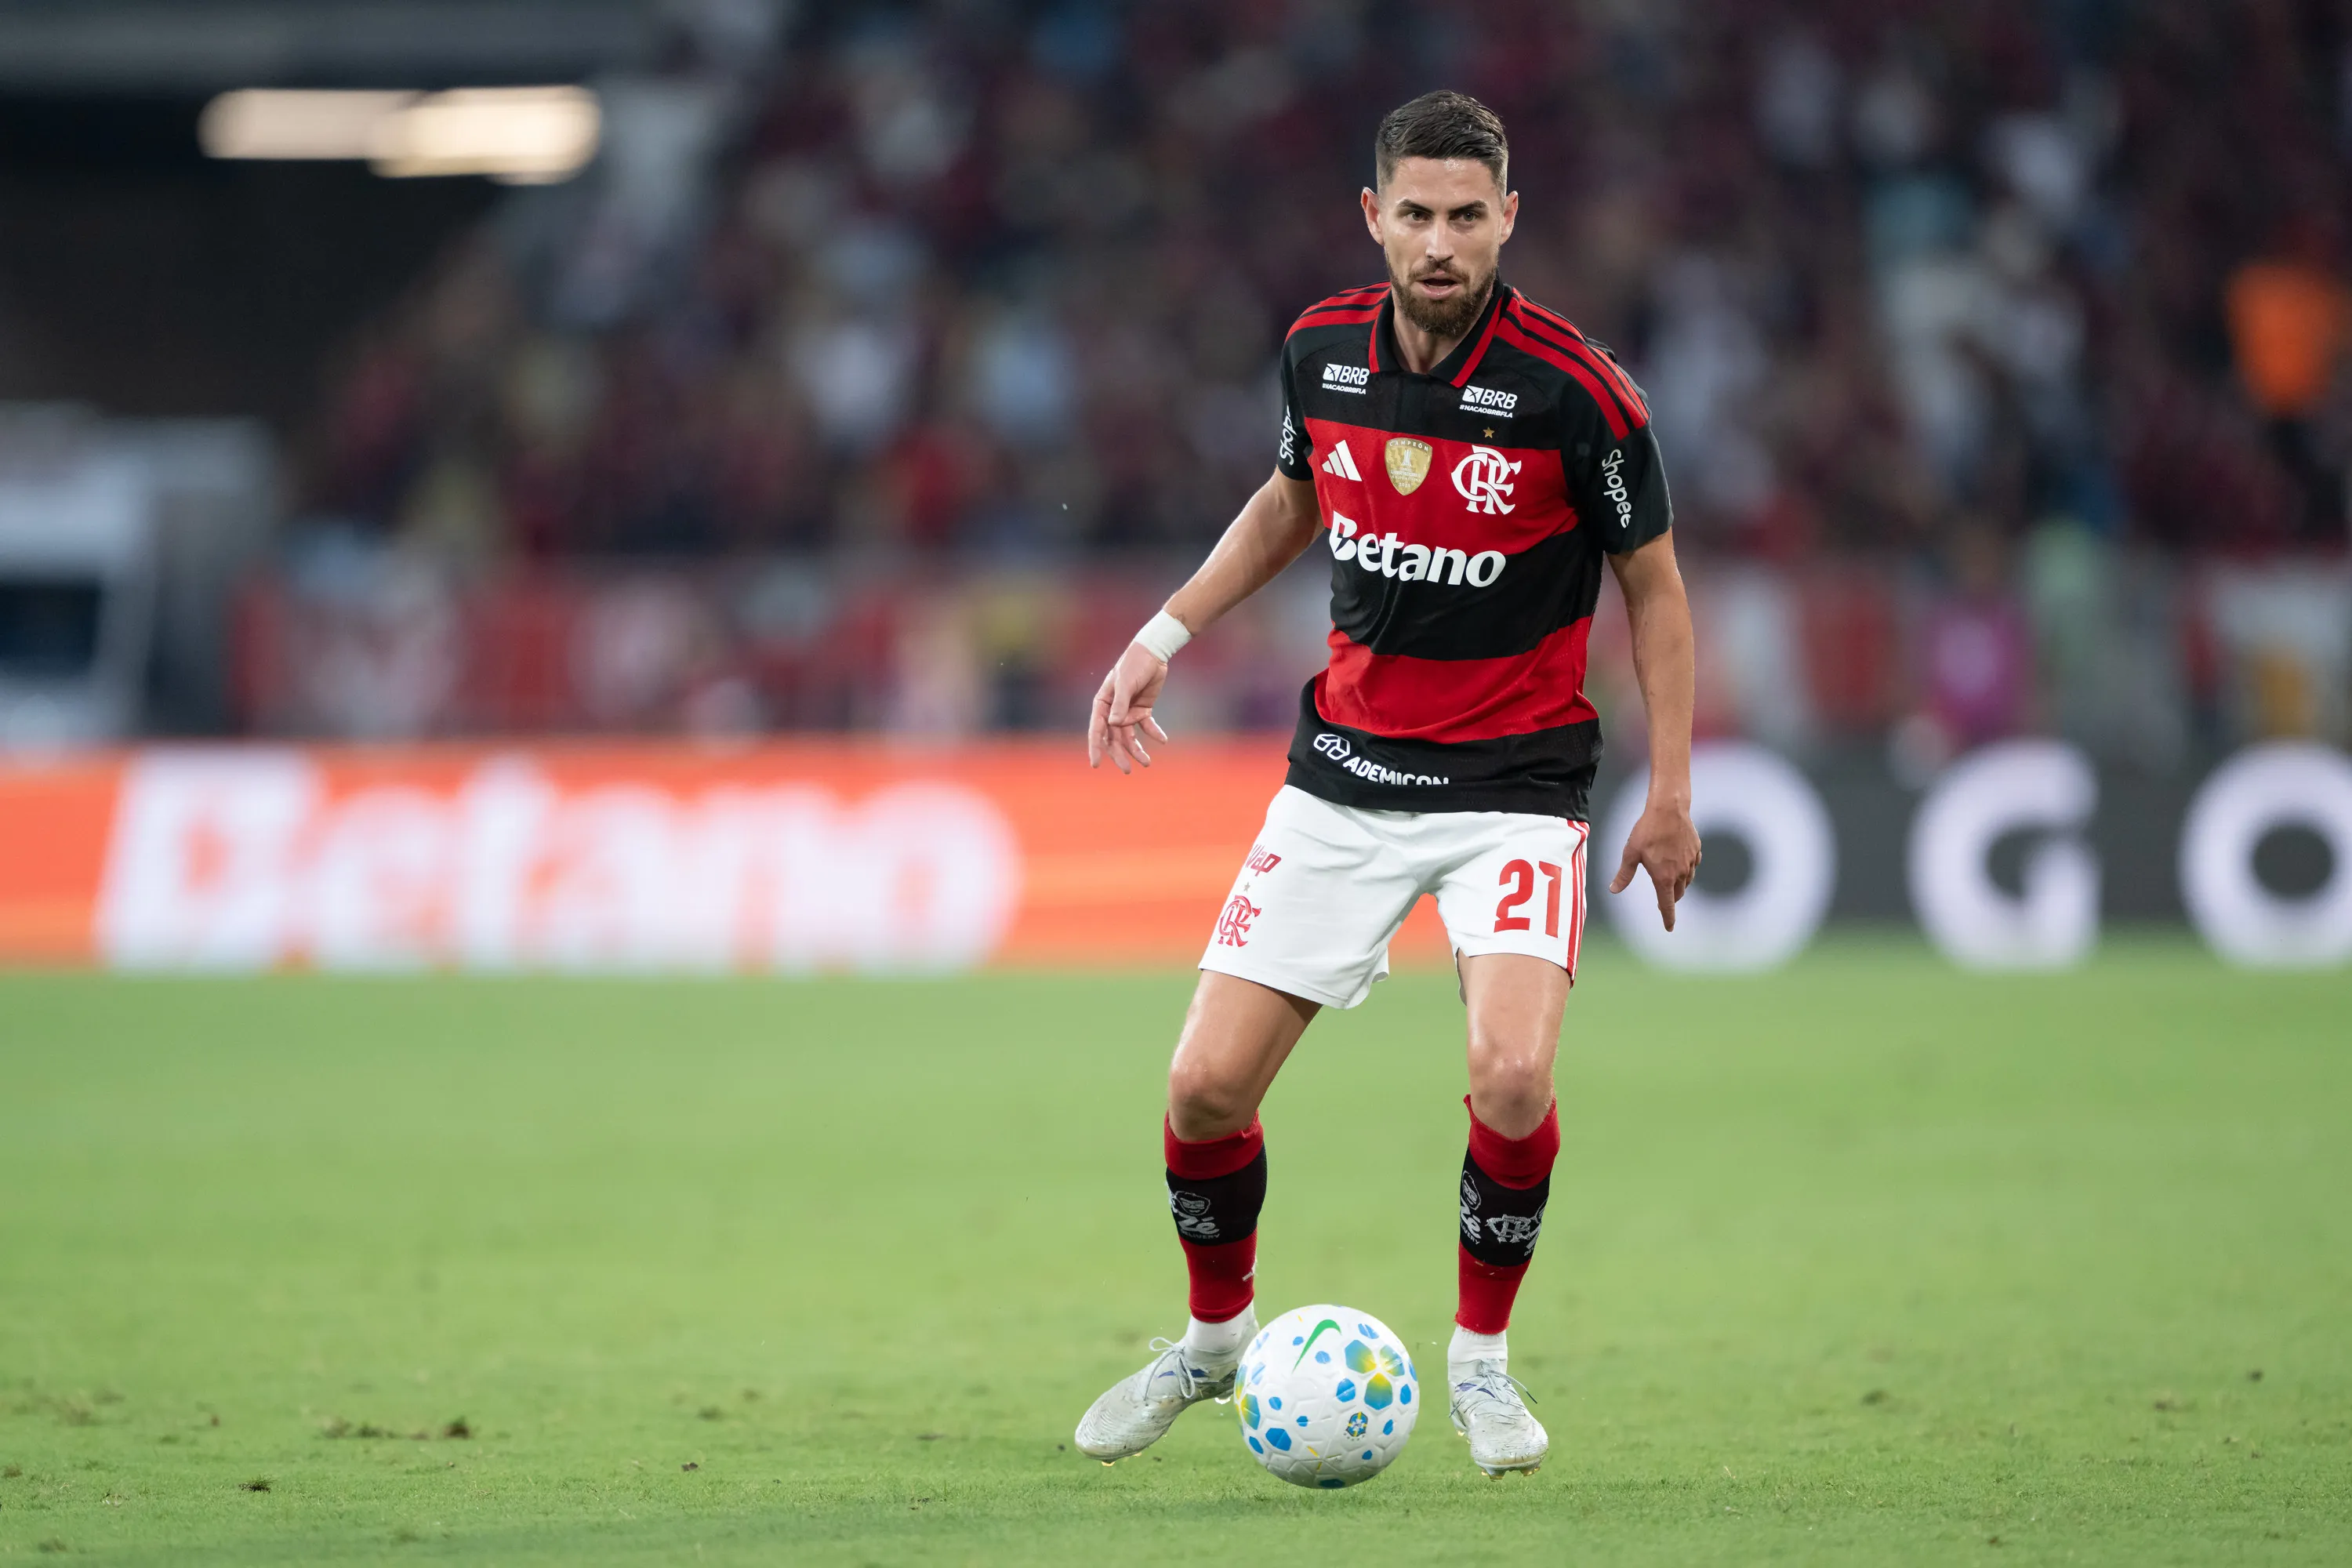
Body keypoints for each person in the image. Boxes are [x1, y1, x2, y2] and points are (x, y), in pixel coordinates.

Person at [1074, 90, 1700, 1479]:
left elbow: (1653, 588)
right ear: (1374, 215)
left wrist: (1669, 791)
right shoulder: (1320, 352)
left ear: (1507, 221)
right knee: (1200, 1095)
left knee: (1514, 1074)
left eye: (1467, 216)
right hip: (1344, 782)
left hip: (1516, 789)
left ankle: (1480, 1365)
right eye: (1414, 213)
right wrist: (1163, 635)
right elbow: (1296, 493)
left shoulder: (1580, 394)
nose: (1439, 241)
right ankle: (1213, 1345)